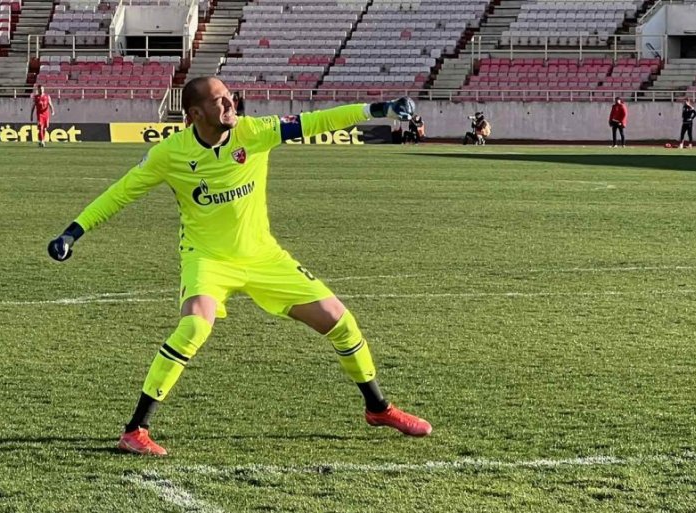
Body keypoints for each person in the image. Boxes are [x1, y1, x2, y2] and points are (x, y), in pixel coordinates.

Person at [47, 76, 432, 457]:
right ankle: (135, 431)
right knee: (194, 326)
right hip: (207, 258)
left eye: (230, 96)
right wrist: (72, 233)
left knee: (340, 321)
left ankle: (378, 409)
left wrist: (377, 109)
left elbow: (317, 121)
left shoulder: (254, 132)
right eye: (219, 100)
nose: (231, 104)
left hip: (263, 257)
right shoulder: (170, 153)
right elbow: (120, 193)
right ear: (195, 113)